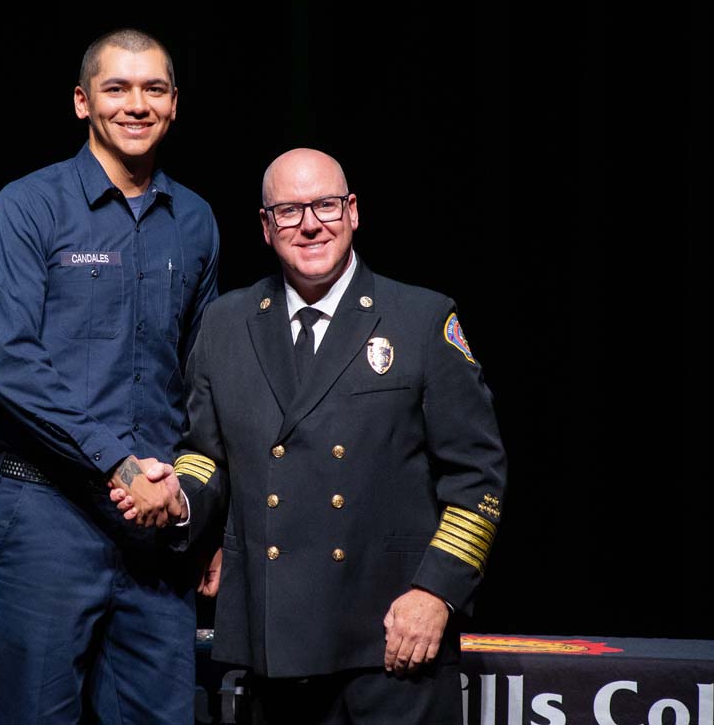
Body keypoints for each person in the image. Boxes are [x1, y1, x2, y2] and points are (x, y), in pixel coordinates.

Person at [161, 148, 506, 724]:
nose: (311, 224)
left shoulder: (421, 319)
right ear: (267, 229)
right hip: (274, 643)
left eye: (324, 204)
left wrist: (436, 593)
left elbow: (478, 477)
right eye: (290, 211)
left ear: (352, 212)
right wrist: (181, 506)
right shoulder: (226, 324)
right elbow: (203, 456)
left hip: (394, 640)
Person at [0, 28, 220, 725]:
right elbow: (10, 365)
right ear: (83, 103)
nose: (135, 105)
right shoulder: (27, 209)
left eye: (154, 89)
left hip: (157, 528)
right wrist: (117, 464)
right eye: (116, 89)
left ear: (174, 104)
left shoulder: (195, 222)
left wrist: (207, 509)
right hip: (45, 517)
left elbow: (203, 384)